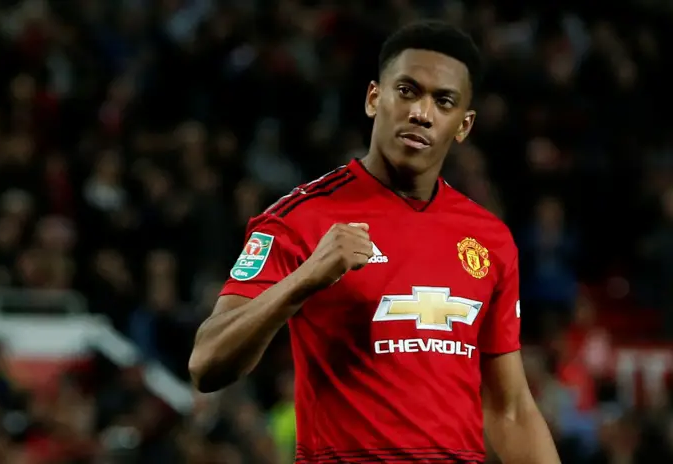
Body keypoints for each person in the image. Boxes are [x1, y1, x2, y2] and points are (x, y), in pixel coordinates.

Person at [189, 20, 560, 463]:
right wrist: (305, 279)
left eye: (443, 102)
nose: (421, 113)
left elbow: (512, 409)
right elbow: (206, 363)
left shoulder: (490, 238)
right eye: (407, 91)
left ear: (463, 125)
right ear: (373, 98)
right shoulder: (300, 219)